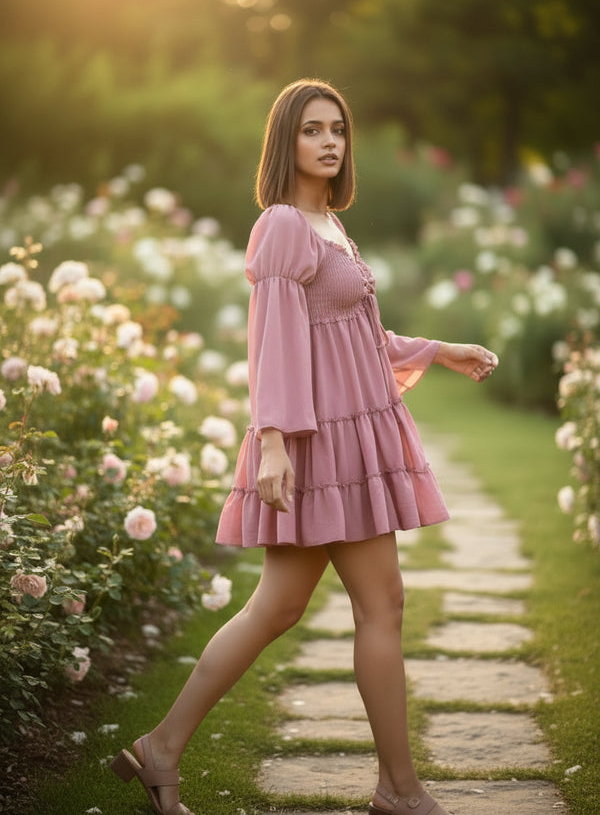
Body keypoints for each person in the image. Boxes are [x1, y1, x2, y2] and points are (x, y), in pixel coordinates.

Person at [110, 79, 498, 815]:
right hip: (317, 444)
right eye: (312, 129)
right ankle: (400, 790)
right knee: (380, 603)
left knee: (277, 609)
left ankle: (160, 749)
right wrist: (276, 445)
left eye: (339, 129)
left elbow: (353, 335)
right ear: (285, 141)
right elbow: (276, 345)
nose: (329, 141)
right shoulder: (284, 225)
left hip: (350, 434)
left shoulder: (329, 227)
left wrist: (437, 348)